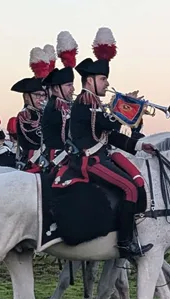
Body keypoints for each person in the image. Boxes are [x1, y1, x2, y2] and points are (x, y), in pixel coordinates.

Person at [66, 27, 157, 258]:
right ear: (90, 80)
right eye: (103, 79)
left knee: (136, 183)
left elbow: (112, 136)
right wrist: (128, 109)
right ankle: (124, 244)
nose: (107, 83)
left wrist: (139, 145)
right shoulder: (86, 101)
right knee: (128, 188)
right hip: (89, 160)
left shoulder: (95, 102)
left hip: (101, 155)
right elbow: (109, 125)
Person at [41, 31, 78, 168]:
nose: (73, 89)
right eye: (69, 85)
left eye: (72, 85)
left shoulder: (65, 106)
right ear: (56, 88)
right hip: (58, 160)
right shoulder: (55, 107)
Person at [11, 46, 51, 172]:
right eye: (37, 95)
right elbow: (36, 136)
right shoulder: (24, 116)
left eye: (43, 95)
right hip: (33, 162)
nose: (41, 99)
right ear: (27, 97)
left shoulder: (45, 112)